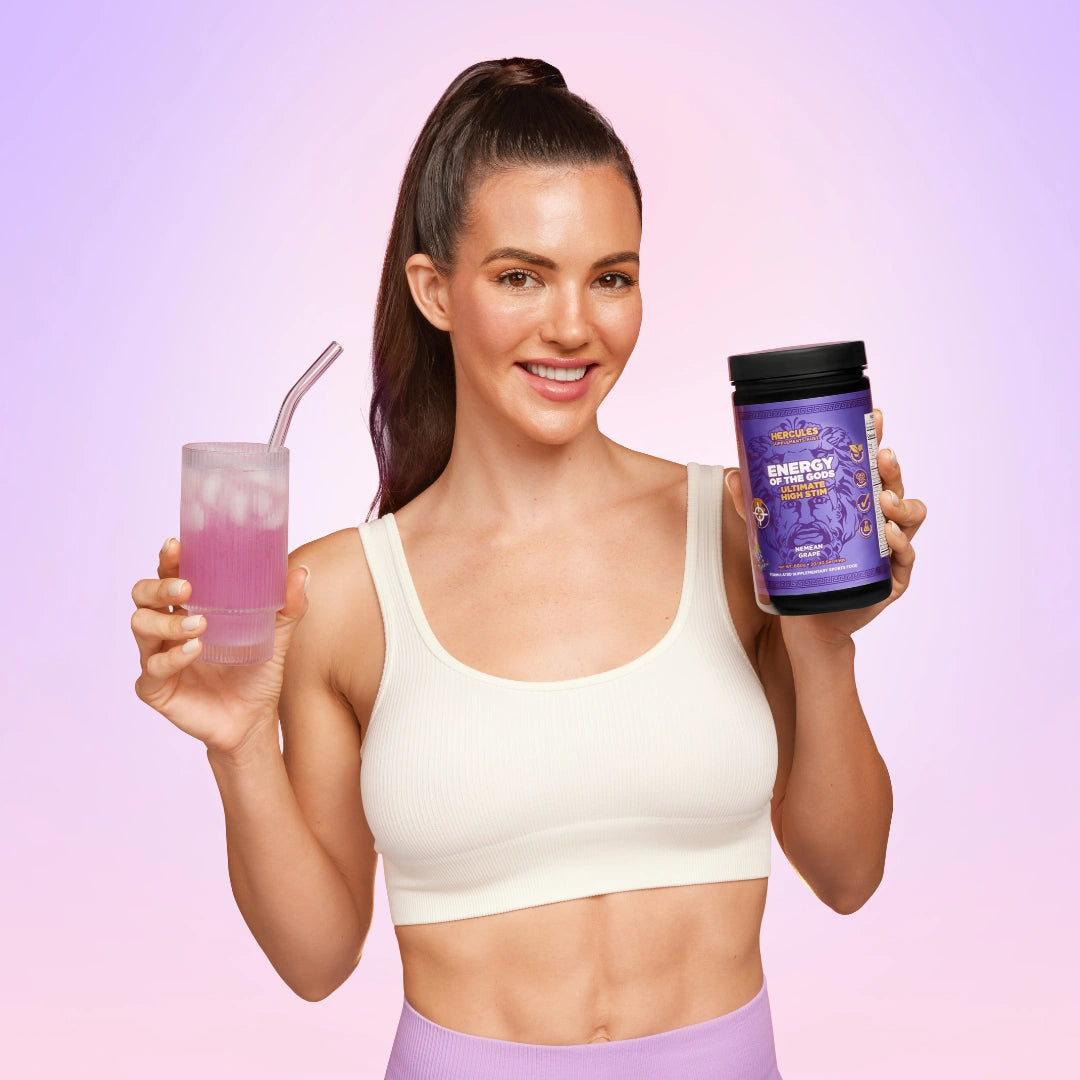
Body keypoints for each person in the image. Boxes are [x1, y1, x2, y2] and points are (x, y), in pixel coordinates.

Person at [131, 58, 926, 1079]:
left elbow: (850, 871)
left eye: (613, 276)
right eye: (520, 275)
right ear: (435, 290)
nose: (573, 325)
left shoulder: (740, 528)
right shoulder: (335, 596)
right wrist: (239, 746)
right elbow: (318, 957)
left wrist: (821, 631)